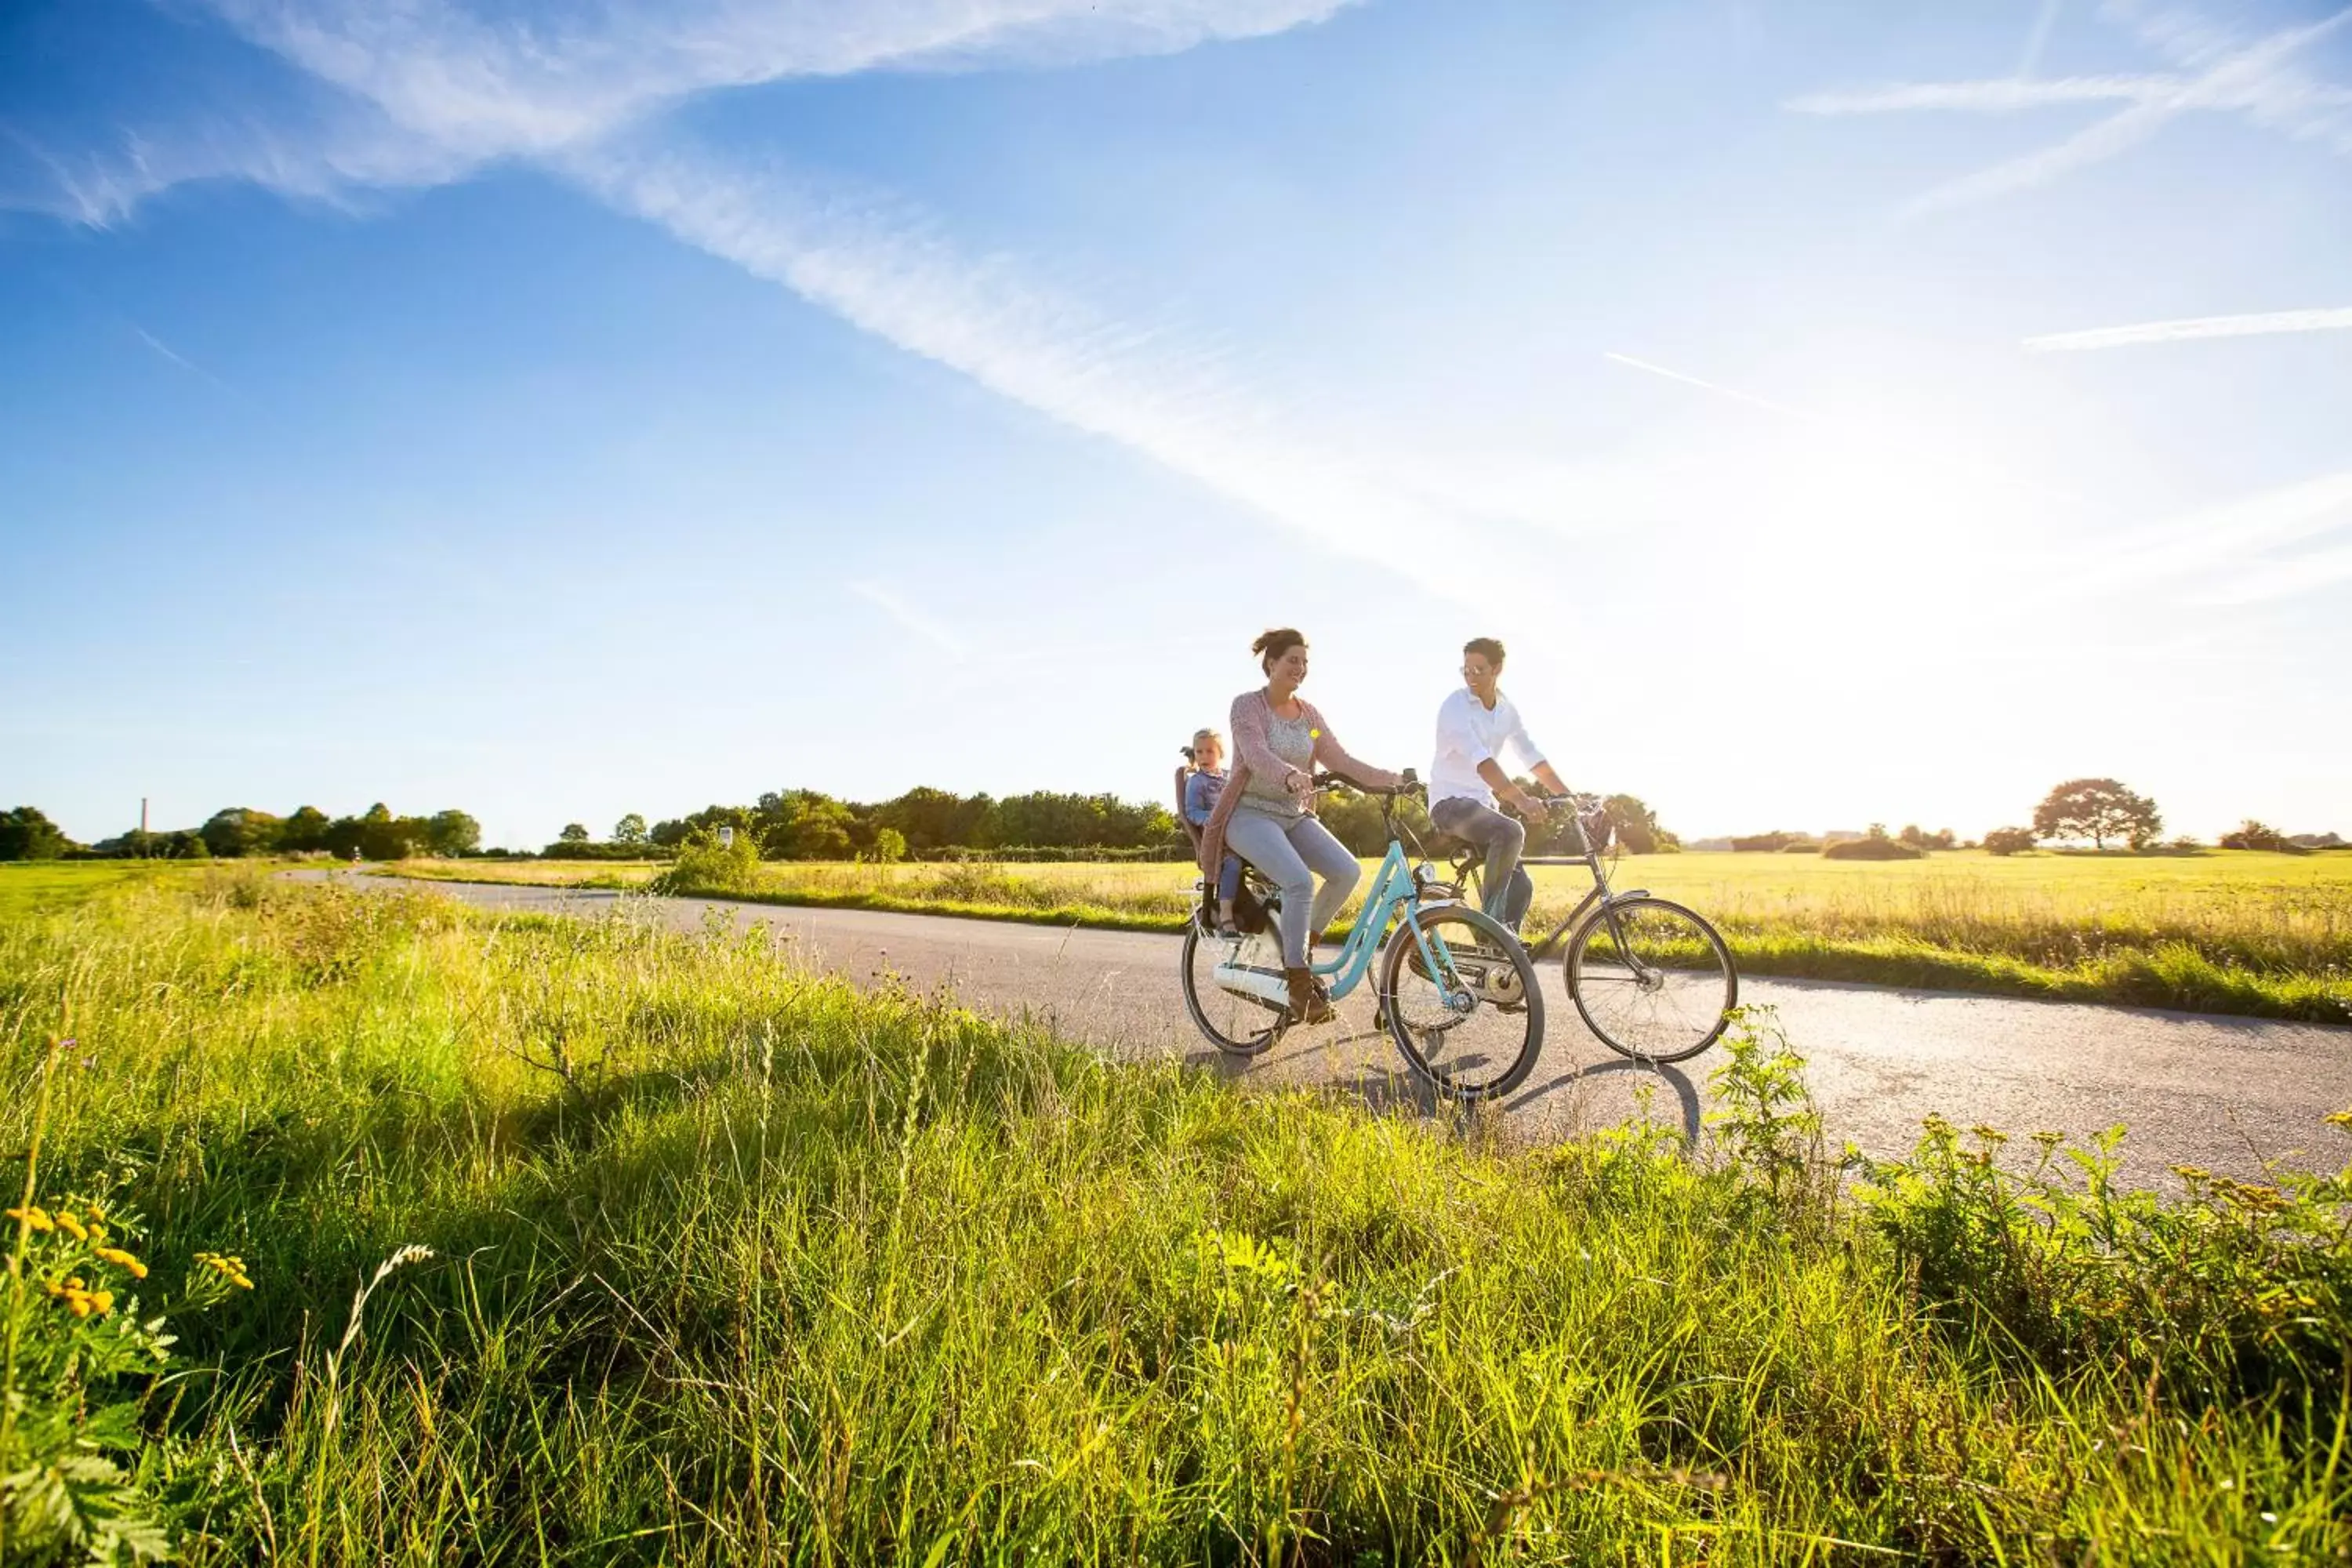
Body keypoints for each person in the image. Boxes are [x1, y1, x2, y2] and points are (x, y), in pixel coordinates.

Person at [1196, 628, 1404, 1025]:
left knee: (1346, 871)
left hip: (1294, 815)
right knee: (1298, 881)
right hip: (1249, 814)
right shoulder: (1247, 707)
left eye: (1305, 662)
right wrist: (1290, 775)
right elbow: (1254, 753)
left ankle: (1300, 948)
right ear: (1271, 663)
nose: (1301, 668)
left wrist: (1389, 777)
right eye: (1293, 660)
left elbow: (1338, 758)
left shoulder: (1308, 717)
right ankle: (1298, 986)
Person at [1429, 636, 1567, 933]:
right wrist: (1521, 800)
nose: (1471, 677)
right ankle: (1491, 933)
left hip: (1482, 807)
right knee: (1510, 830)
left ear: (1497, 669)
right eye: (1466, 670)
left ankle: (1498, 963)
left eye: (1479, 670)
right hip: (1449, 806)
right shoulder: (1455, 706)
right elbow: (1483, 762)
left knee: (1521, 886)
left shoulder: (1506, 710)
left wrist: (1567, 795)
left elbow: (1531, 755)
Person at [1181, 728, 1244, 934]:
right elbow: (1192, 811)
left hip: (1238, 830)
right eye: (1199, 752)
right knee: (1233, 863)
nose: (1204, 757)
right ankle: (1225, 912)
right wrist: (1211, 820)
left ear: (1220, 754)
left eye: (1210, 751)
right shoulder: (1197, 782)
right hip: (1217, 839)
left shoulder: (1230, 777)